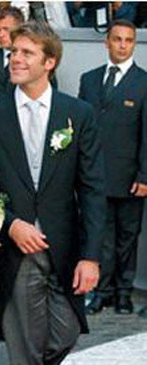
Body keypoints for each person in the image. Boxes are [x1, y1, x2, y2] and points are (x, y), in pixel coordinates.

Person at [0, 22, 106, 365]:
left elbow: (93, 189)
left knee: (65, 333)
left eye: (27, 53)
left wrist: (91, 256)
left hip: (64, 247)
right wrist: (10, 225)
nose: (15, 58)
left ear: (50, 62)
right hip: (15, 247)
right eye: (14, 51)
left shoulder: (77, 114)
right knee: (25, 339)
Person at [79, 20, 147, 315]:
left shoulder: (144, 82)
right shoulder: (90, 79)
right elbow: (82, 128)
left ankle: (123, 293)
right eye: (117, 39)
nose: (122, 45)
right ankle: (101, 292)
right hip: (95, 175)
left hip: (130, 176)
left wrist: (144, 175)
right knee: (99, 236)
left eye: (128, 40)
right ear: (106, 42)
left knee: (127, 238)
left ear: (134, 44)